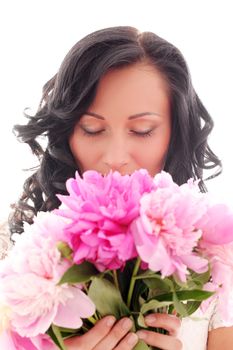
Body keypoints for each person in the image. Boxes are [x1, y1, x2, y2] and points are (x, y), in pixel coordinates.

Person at [8, 26, 233, 350]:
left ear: (175, 134)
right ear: (67, 133)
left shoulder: (216, 263)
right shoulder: (13, 255)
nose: (114, 158)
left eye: (142, 131)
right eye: (92, 128)